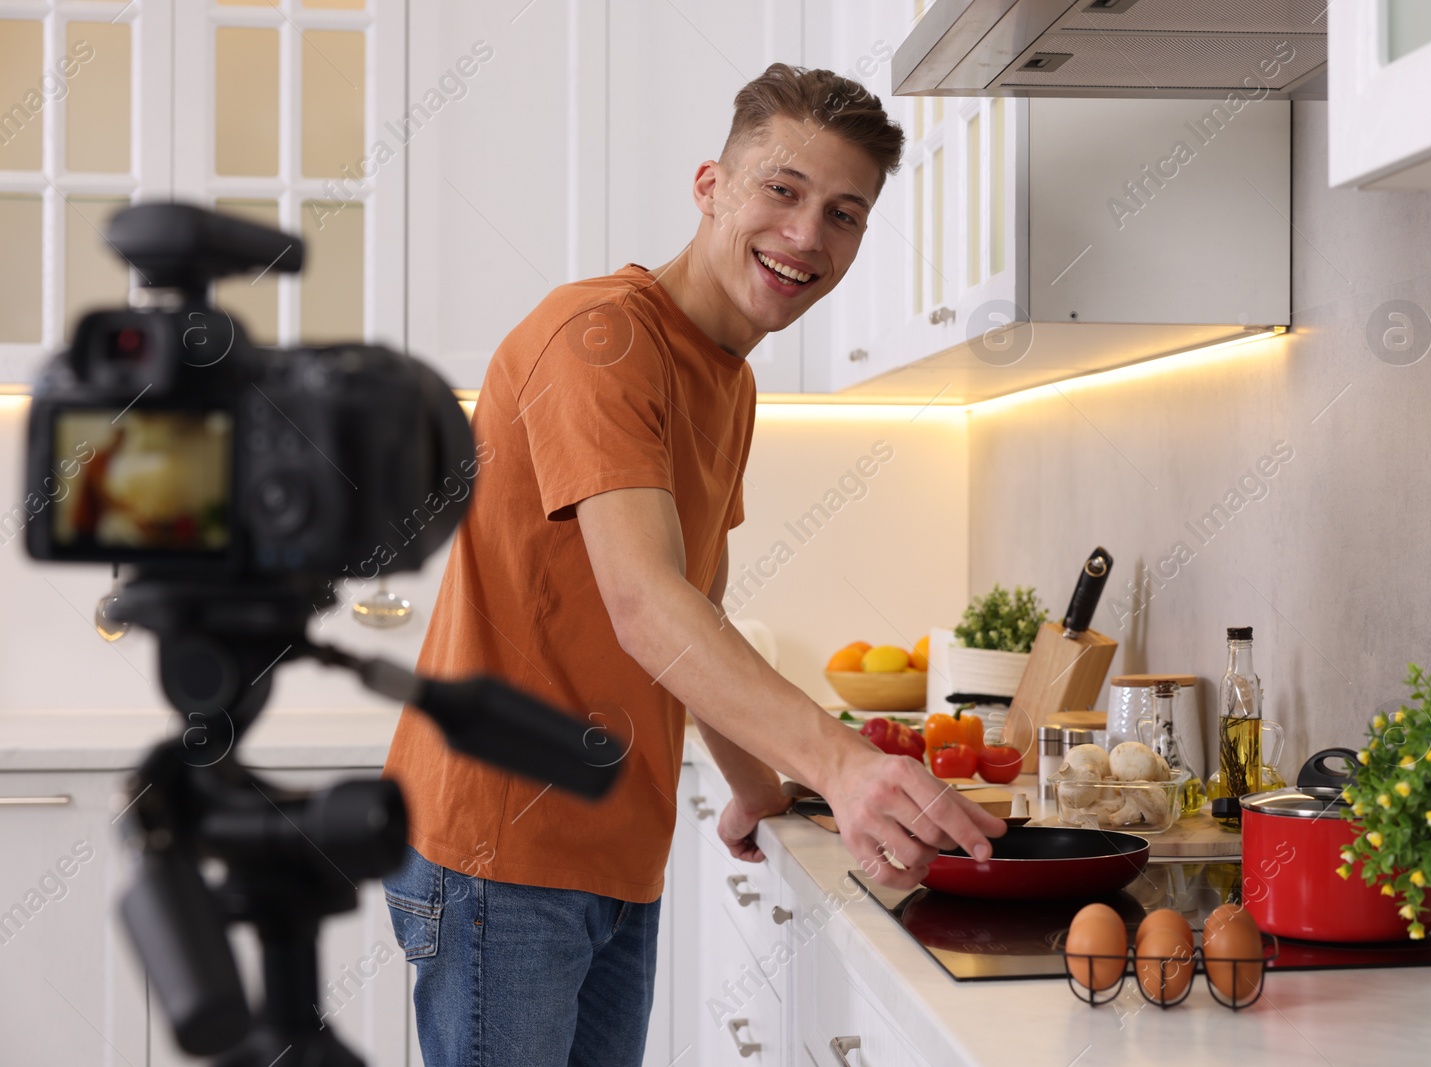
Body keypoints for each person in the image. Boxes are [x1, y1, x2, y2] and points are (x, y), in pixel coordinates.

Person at [380, 62, 1004, 1067]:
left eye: (844, 213)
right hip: (502, 849)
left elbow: (694, 601)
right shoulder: (599, 340)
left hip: (615, 849)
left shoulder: (728, 379)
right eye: (783, 190)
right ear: (710, 185)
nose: (808, 235)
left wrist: (756, 780)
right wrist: (839, 763)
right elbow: (642, 602)